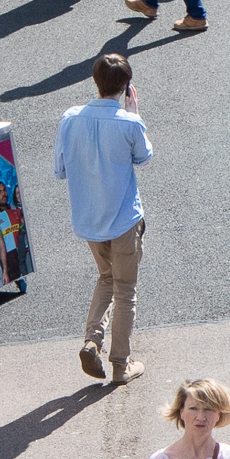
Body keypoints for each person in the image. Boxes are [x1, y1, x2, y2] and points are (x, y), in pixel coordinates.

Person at [53, 52, 151, 386]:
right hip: (123, 219)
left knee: (106, 277)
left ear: (95, 81)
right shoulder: (128, 122)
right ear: (126, 87)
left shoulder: (70, 118)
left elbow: (60, 169)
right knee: (125, 291)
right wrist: (134, 115)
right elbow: (144, 157)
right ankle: (121, 364)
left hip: (89, 221)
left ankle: (92, 341)